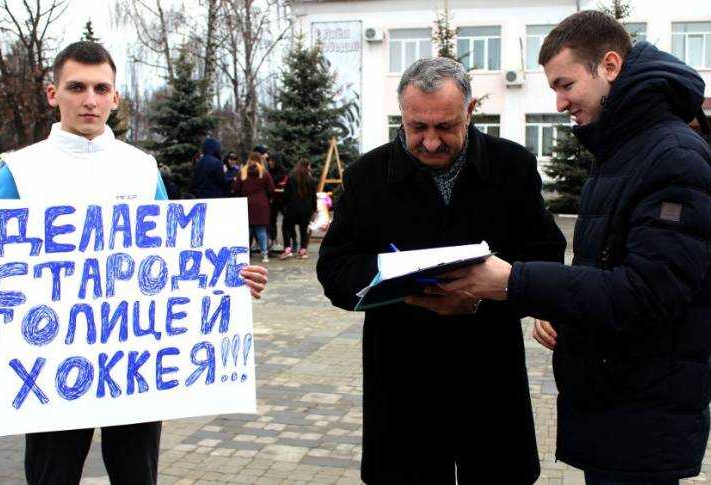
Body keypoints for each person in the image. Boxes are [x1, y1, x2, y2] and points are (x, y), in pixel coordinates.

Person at [438, 11, 711, 485]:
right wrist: (564, 312)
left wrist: (515, 281)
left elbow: (649, 293)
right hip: (616, 404)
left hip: (643, 417)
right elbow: (611, 268)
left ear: (609, 66)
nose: (560, 102)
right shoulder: (625, 149)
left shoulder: (673, 156)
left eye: (566, 85)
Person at [0, 41, 269, 485]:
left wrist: (227, 276)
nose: (90, 99)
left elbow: (173, 258)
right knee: (52, 475)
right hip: (49, 368)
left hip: (133, 366)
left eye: (101, 88)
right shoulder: (21, 171)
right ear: (53, 94)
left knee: (136, 475)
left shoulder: (141, 168)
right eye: (76, 87)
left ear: (116, 97)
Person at [316, 57, 566, 484]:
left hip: (490, 377)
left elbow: (546, 254)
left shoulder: (512, 167)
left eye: (445, 127)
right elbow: (335, 269)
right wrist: (402, 287)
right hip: (402, 381)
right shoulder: (366, 177)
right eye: (417, 127)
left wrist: (493, 289)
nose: (430, 142)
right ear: (402, 114)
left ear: (470, 112)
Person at [233, 152, 274, 263]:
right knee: (261, 230)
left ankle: (245, 253)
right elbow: (271, 189)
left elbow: (236, 189)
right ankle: (264, 254)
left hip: (246, 203)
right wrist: (266, 197)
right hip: (261, 204)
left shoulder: (243, 172)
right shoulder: (264, 173)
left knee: (248, 230)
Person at [279, 160, 317, 260]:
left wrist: (283, 207)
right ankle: (303, 250)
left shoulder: (291, 178)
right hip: (306, 209)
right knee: (303, 230)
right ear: (307, 167)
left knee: (286, 226)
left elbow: (286, 195)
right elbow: (313, 196)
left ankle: (287, 248)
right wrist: (314, 209)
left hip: (292, 208)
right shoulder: (311, 180)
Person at [266, 151, 288, 249]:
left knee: (286, 221)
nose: (270, 162)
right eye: (269, 160)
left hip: (282, 200)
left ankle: (287, 243)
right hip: (272, 200)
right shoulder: (268, 172)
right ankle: (273, 240)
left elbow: (285, 185)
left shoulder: (283, 172)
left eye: (272, 160)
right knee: (272, 221)